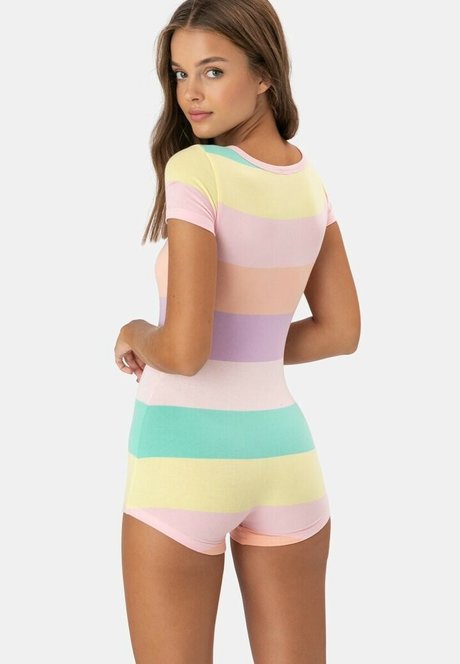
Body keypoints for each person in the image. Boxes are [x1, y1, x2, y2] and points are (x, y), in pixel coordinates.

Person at [114, 0, 360, 661]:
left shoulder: (197, 169)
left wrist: (137, 331)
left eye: (213, 70)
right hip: (285, 460)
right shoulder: (310, 183)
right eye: (180, 73)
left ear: (265, 74)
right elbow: (340, 331)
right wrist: (248, 347)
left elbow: (184, 352)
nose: (190, 93)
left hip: (183, 462)